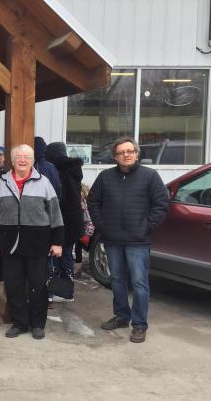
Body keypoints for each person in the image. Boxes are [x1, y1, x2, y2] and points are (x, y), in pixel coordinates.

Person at [87, 137, 168, 343]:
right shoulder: (105, 177)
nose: (126, 155)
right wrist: (102, 225)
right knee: (116, 280)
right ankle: (122, 316)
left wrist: (146, 227)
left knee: (139, 283)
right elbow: (93, 201)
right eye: (121, 152)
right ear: (115, 156)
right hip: (113, 239)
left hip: (138, 241)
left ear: (137, 153)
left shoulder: (150, 177)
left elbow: (161, 204)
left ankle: (139, 325)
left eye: (130, 151)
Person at [0, 144, 63, 340]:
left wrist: (58, 242)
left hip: (37, 243)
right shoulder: (1, 182)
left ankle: (37, 324)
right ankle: (20, 323)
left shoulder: (43, 182)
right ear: (12, 160)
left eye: (26, 156)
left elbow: (55, 214)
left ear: (32, 160)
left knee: (37, 285)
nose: (22, 159)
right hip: (9, 243)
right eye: (18, 156)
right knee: (14, 285)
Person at [46, 142, 84, 301]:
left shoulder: (55, 169)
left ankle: (56, 292)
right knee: (67, 254)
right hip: (74, 219)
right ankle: (67, 292)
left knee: (55, 255)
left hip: (61, 218)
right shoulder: (74, 169)